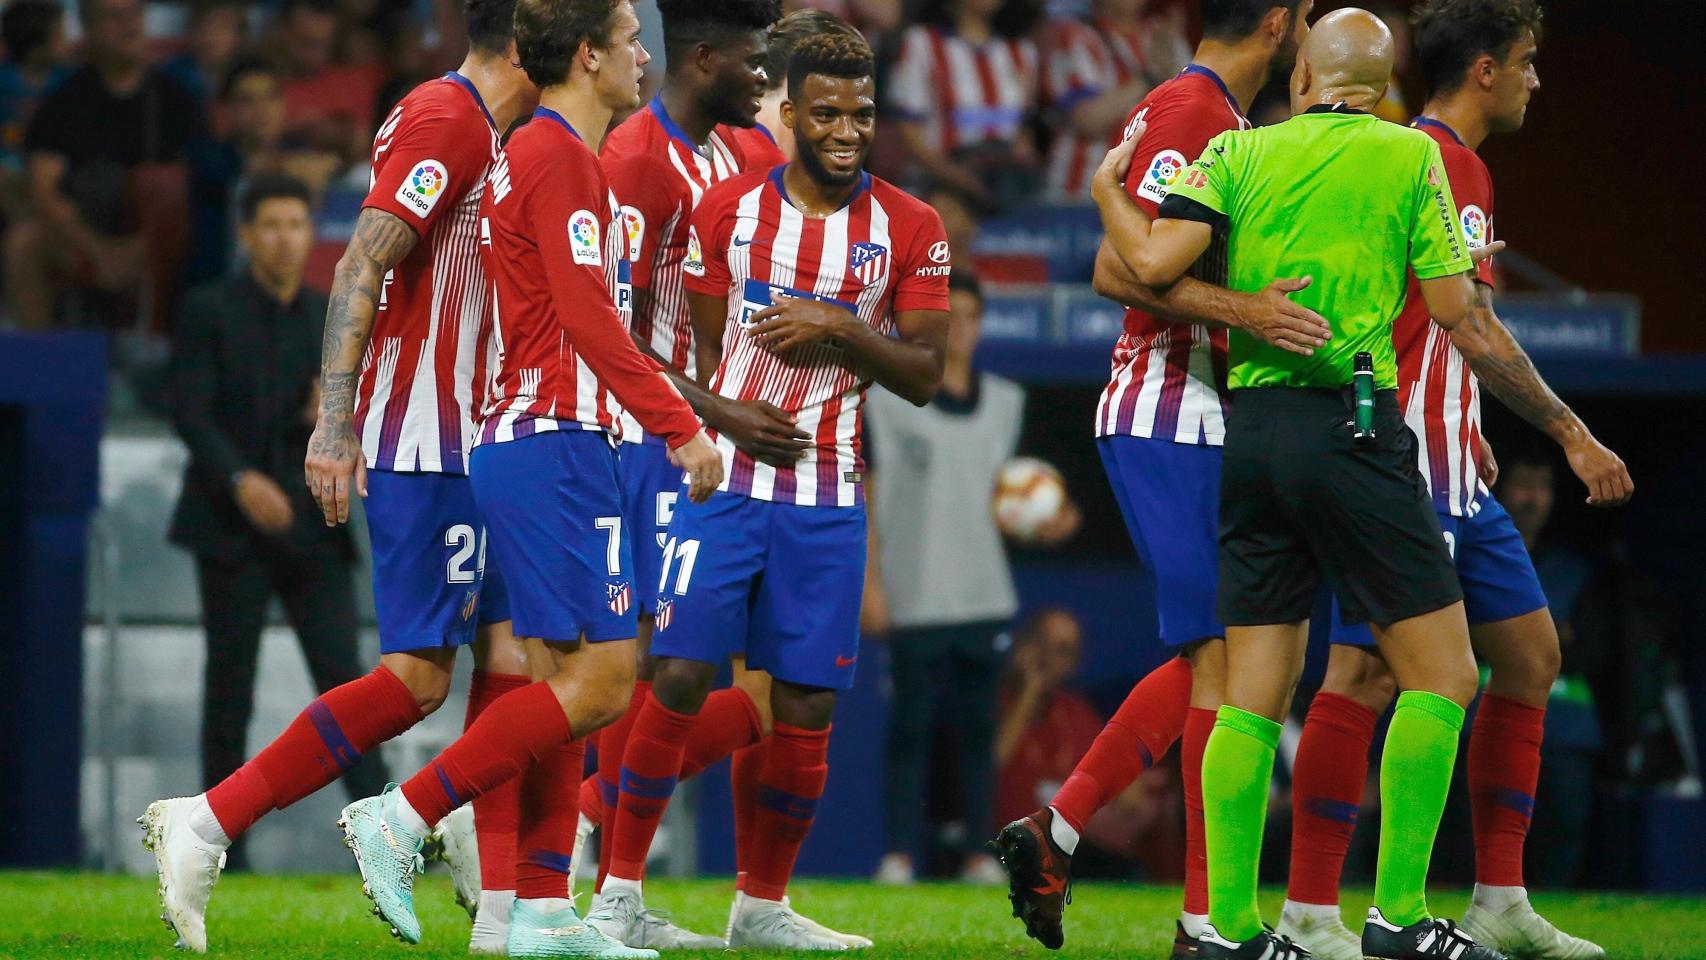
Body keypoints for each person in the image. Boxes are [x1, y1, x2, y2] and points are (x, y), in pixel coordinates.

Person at [1097, 8, 1627, 959]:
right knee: (1448, 673)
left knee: (1253, 691)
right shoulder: (1409, 160)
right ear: (1381, 87)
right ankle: (1396, 918)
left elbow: (1145, 265)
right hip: (1356, 429)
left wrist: (1107, 190)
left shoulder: (1239, 153)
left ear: (1305, 77)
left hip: (1251, 438)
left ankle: (1223, 931)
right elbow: (1460, 314)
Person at [138, 0, 539, 951]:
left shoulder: (486, 124)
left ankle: (497, 909)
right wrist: (336, 421)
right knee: (414, 682)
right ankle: (206, 822)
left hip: (484, 438)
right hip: (426, 441)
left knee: (518, 665)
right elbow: (364, 256)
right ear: (528, 39)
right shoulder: (448, 119)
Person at [334, 0, 722, 951]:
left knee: (555, 678)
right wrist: (682, 428)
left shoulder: (559, 157)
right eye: (631, 42)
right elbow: (592, 324)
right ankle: (402, 814)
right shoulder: (554, 158)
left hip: (554, 439)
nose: (645, 59)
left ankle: (542, 909)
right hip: (551, 439)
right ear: (588, 56)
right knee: (602, 683)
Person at [1280, 4, 1625, 958]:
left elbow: (1436, 322)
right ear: (1482, 71)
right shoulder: (1437, 161)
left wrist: (1468, 420)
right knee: (1365, 672)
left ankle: (1499, 898)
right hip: (1401, 462)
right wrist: (1571, 433)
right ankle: (1314, 911)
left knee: (1530, 659)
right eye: (1526, 63)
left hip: (1454, 458)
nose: (1535, 81)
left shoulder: (1434, 162)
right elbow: (1464, 321)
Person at [990, 1, 1328, 954]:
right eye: (1302, 14)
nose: (1308, 28)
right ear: (1275, 23)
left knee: (1223, 661)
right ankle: (1203, 923)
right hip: (1169, 409)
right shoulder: (1192, 114)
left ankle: (1053, 835)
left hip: (1209, 416)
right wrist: (1248, 312)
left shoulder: (1214, 113)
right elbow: (1117, 267)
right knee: (1225, 665)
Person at [601, 29, 950, 951]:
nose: (846, 131)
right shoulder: (726, 211)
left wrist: (840, 326)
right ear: (787, 114)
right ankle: (619, 892)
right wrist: (730, 418)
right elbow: (695, 354)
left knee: (804, 704)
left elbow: (924, 372)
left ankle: (761, 905)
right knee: (676, 673)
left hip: (830, 491)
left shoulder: (911, 227)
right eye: (826, 112)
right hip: (726, 482)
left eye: (862, 114)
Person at [580, 0, 822, 947]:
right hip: (650, 440)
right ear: (707, 58)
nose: (766, 79)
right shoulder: (635, 159)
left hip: (724, 445)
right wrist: (712, 413)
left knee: (753, 695)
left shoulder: (744, 156)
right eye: (757, 62)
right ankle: (604, 882)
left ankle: (599, 837)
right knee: (643, 663)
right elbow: (616, 331)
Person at [163, 173, 390, 873]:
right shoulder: (207, 310)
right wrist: (239, 479)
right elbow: (190, 411)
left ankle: (384, 835)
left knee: (348, 682)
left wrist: (332, 413)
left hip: (313, 526)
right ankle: (223, 847)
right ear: (245, 234)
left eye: (297, 223)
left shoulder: (333, 318)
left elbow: (357, 407)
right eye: (272, 224)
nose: (286, 238)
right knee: (228, 685)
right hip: (229, 526)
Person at [866, 272, 1074, 886]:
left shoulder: (1008, 403)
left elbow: (1027, 493)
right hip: (912, 592)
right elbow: (868, 494)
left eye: (971, 315)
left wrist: (1057, 519)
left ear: (984, 325)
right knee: (910, 729)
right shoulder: (885, 400)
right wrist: (870, 584)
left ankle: (982, 854)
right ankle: (900, 854)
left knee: (978, 732)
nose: (960, 328)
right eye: (947, 314)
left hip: (984, 593)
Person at [6, 0, 204, 331]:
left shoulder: (176, 97)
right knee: (23, 242)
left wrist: (138, 250)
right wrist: (100, 251)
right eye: (114, 18)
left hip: (156, 241)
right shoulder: (63, 101)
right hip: (83, 237)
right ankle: (41, 368)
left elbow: (194, 186)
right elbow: (43, 190)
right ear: (89, 31)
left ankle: (165, 344)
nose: (130, 26)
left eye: (135, 15)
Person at [888, 0, 1040, 253]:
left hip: (1004, 185)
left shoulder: (1021, 52)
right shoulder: (923, 44)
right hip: (938, 184)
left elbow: (1021, 128)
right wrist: (960, 178)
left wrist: (1022, 161)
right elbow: (908, 132)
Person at [184, 58, 340, 287]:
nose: (262, 109)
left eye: (270, 97)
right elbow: (236, 170)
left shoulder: (298, 149)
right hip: (222, 286)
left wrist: (328, 165)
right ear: (228, 110)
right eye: (248, 101)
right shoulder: (207, 156)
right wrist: (287, 167)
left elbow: (333, 166)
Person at [1039, 0, 1169, 201]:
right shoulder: (1075, 36)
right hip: (1080, 194)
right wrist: (1150, 77)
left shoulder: (1163, 37)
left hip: (1149, 197)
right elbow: (1088, 119)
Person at [0, 0, 71, 185]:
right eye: (60, 35)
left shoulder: (65, 78)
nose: (67, 41)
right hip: (9, 162)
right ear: (36, 47)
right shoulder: (5, 81)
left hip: (50, 164)